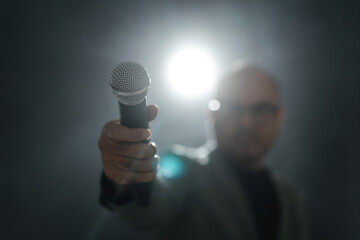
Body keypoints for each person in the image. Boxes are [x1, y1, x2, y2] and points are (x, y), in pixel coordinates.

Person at [97, 61, 310, 240]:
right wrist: (128, 173)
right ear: (211, 114)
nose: (246, 122)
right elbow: (147, 208)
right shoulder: (186, 169)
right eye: (233, 108)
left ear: (279, 117)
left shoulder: (292, 201)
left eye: (260, 109)